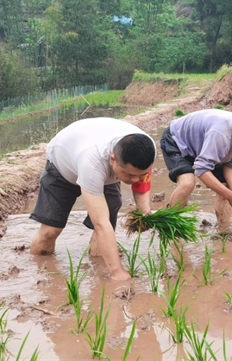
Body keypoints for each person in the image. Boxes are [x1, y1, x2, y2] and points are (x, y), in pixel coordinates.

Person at [29, 117, 157, 281]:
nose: (134, 180)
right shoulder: (93, 163)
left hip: (101, 166)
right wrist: (118, 273)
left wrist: (144, 211)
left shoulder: (147, 148)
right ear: (113, 159)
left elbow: (141, 182)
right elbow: (100, 222)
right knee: (50, 231)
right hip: (63, 166)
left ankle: (99, 268)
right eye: (130, 175)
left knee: (106, 226)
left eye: (142, 174)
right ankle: (38, 275)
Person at [161, 110, 232, 229]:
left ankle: (224, 229)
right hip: (177, 141)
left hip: (203, 147)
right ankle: (170, 226)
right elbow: (201, 170)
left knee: (225, 186)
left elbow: (230, 165)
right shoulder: (221, 133)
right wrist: (231, 197)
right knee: (187, 183)